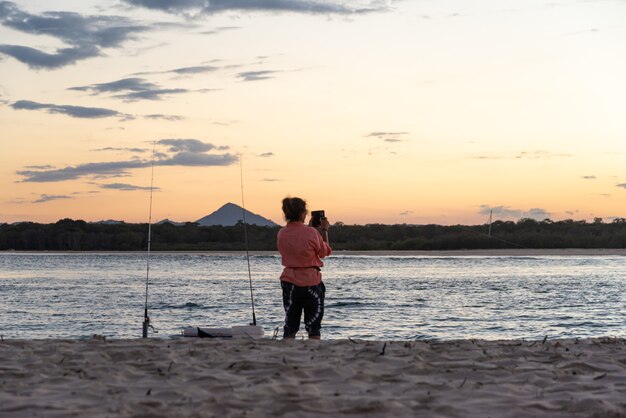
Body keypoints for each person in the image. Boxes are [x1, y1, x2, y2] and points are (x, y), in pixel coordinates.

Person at [277, 197, 331, 339]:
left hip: (289, 281)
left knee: (291, 324)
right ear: (303, 213)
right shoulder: (312, 233)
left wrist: (310, 229)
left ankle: (287, 348)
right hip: (311, 281)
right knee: (313, 326)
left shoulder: (281, 233)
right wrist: (324, 231)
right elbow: (324, 252)